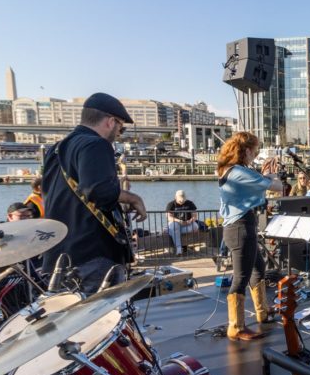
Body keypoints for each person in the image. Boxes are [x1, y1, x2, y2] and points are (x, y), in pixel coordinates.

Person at [41, 93, 147, 293]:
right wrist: (133, 198)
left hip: (58, 256)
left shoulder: (56, 149)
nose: (118, 133)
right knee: (103, 321)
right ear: (110, 121)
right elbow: (99, 191)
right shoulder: (96, 144)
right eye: (120, 128)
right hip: (91, 256)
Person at [217, 132, 284, 341]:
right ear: (246, 150)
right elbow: (277, 187)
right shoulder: (237, 171)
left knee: (258, 268)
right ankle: (235, 326)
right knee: (241, 277)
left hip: (243, 226)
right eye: (254, 151)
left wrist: (267, 177)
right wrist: (273, 176)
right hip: (240, 228)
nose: (255, 155)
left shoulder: (237, 170)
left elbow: (263, 185)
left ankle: (262, 312)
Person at [165, 190, 199, 256]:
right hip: (176, 223)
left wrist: (190, 221)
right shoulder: (171, 204)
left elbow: (195, 216)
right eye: (180, 200)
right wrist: (178, 221)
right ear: (175, 197)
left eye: (183, 200)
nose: (182, 202)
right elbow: (169, 217)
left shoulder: (190, 203)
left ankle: (170, 231)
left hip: (187, 224)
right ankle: (179, 249)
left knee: (195, 226)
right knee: (175, 226)